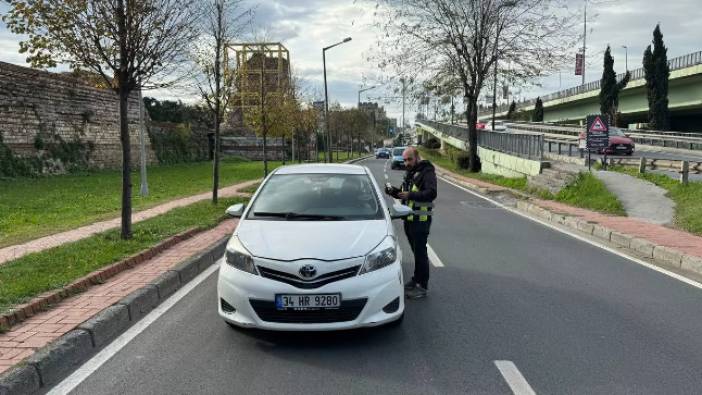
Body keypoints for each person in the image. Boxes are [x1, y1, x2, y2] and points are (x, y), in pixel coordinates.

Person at [385, 147, 437, 299]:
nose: (406, 162)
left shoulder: (427, 172)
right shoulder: (411, 173)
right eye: (405, 160)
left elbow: (432, 193)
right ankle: (416, 280)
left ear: (417, 158)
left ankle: (422, 286)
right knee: (416, 253)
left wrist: (411, 194)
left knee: (420, 254)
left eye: (409, 159)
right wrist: (392, 191)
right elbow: (403, 193)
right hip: (409, 220)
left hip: (420, 221)